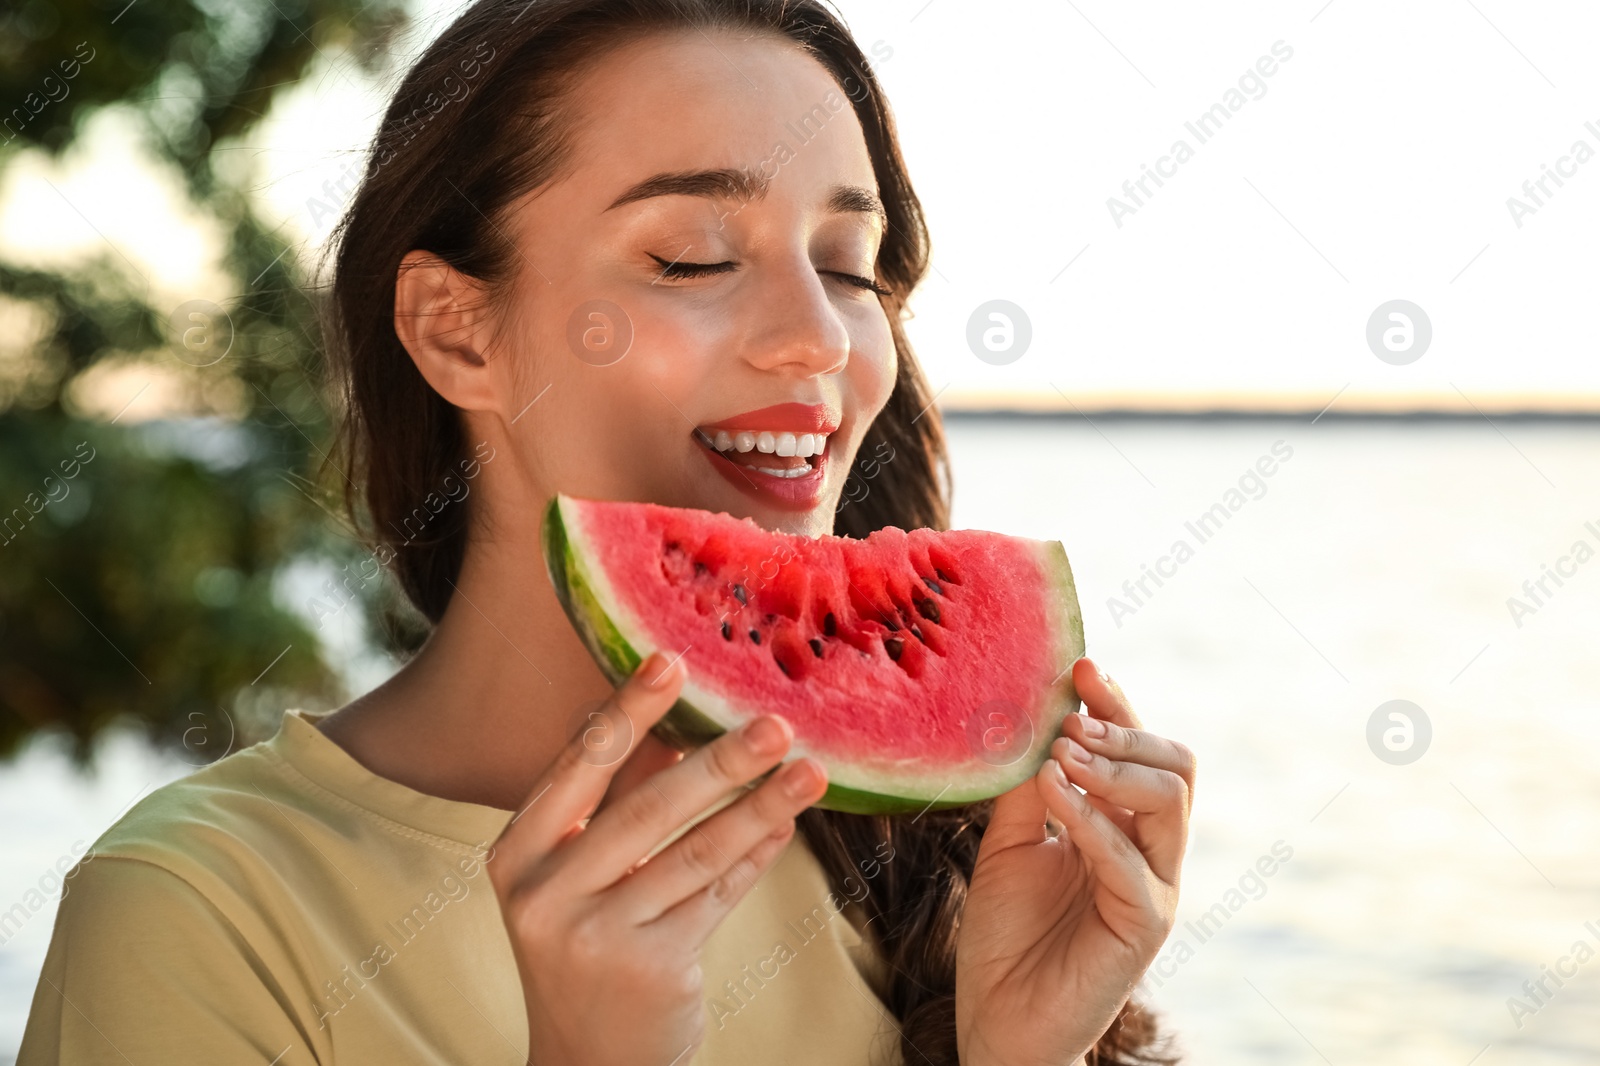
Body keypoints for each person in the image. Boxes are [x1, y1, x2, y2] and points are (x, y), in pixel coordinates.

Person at [18, 1, 1196, 1062]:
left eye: (849, 266)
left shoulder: (928, 863)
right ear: (457, 332)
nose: (820, 340)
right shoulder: (199, 910)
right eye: (692, 258)